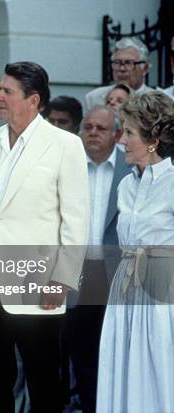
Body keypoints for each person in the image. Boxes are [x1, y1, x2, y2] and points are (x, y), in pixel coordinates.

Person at [0, 61, 90, 413]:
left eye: (7, 91)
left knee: (43, 380)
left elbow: (75, 220)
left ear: (33, 100)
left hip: (39, 282)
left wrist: (62, 278)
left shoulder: (65, 145)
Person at [97, 91, 174, 413]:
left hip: (162, 290)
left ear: (153, 137)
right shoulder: (126, 184)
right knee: (121, 365)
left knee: (157, 365)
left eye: (129, 132)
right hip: (125, 287)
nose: (122, 140)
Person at [64, 105, 131, 413]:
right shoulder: (67, 166)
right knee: (80, 356)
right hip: (74, 277)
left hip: (116, 277)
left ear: (117, 135)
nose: (92, 133)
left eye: (100, 128)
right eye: (88, 127)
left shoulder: (131, 169)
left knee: (114, 357)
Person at [85, 37, 153, 111]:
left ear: (145, 69)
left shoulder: (158, 101)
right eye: (117, 62)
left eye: (129, 63)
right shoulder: (94, 98)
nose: (122, 69)